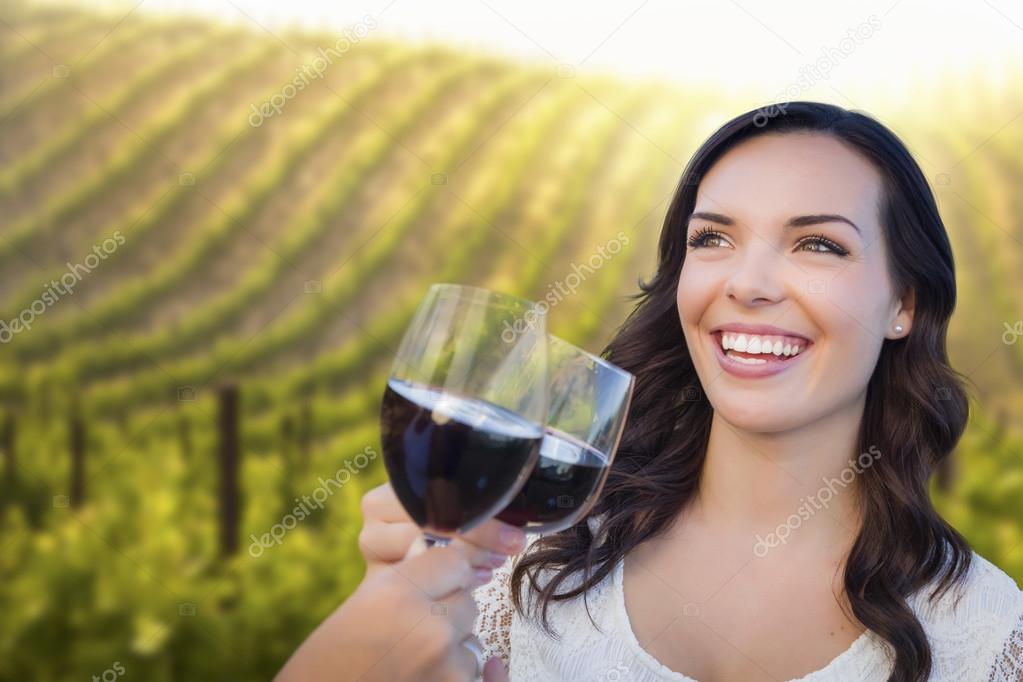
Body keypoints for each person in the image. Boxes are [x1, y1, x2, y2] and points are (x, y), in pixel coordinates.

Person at [293, 101, 1023, 681]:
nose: (746, 283)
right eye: (712, 239)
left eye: (818, 244)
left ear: (906, 305)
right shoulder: (522, 555)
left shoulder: (988, 638)